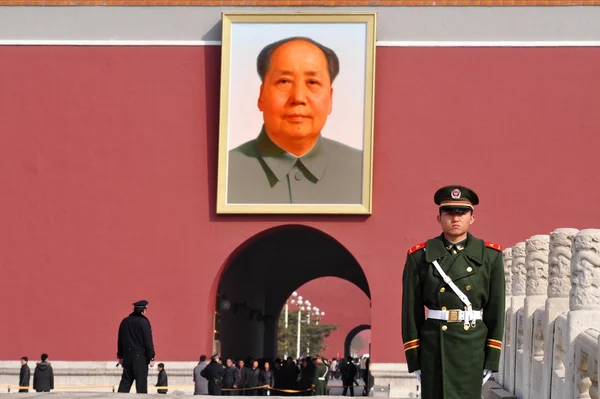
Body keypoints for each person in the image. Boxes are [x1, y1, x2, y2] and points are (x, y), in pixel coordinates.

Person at [227, 36, 363, 205]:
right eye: (284, 81)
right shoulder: (225, 171)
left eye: (312, 82)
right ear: (261, 96)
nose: (298, 97)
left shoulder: (363, 170)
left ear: (330, 98)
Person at [401, 185, 505, 399]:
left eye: (462, 213)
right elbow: (411, 313)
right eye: (448, 212)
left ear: (472, 218)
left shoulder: (490, 256)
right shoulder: (419, 256)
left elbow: (496, 311)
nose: (455, 218)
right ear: (438, 218)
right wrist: (414, 358)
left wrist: (492, 358)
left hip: (472, 345)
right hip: (434, 347)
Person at [117, 300, 156, 394]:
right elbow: (148, 341)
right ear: (144, 309)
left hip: (127, 357)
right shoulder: (144, 322)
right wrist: (151, 357)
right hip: (140, 358)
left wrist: (120, 356)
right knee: (141, 385)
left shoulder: (125, 321)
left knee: (125, 384)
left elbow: (120, 340)